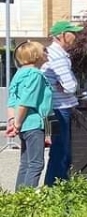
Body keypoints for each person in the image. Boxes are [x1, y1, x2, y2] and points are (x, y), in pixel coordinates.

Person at [5, 41, 53, 190]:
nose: (47, 52)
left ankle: (19, 198)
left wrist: (13, 121)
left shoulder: (19, 74)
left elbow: (12, 101)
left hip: (25, 125)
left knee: (25, 163)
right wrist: (17, 124)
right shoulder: (36, 75)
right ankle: (28, 200)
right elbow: (27, 101)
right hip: (34, 124)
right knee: (36, 164)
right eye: (44, 50)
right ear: (35, 55)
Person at [42, 20, 82, 186]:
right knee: (61, 152)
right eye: (72, 33)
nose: (76, 36)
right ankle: (55, 188)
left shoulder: (53, 53)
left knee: (57, 151)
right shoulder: (57, 56)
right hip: (59, 110)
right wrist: (71, 87)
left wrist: (66, 86)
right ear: (61, 36)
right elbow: (71, 86)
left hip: (52, 109)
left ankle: (53, 187)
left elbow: (67, 85)